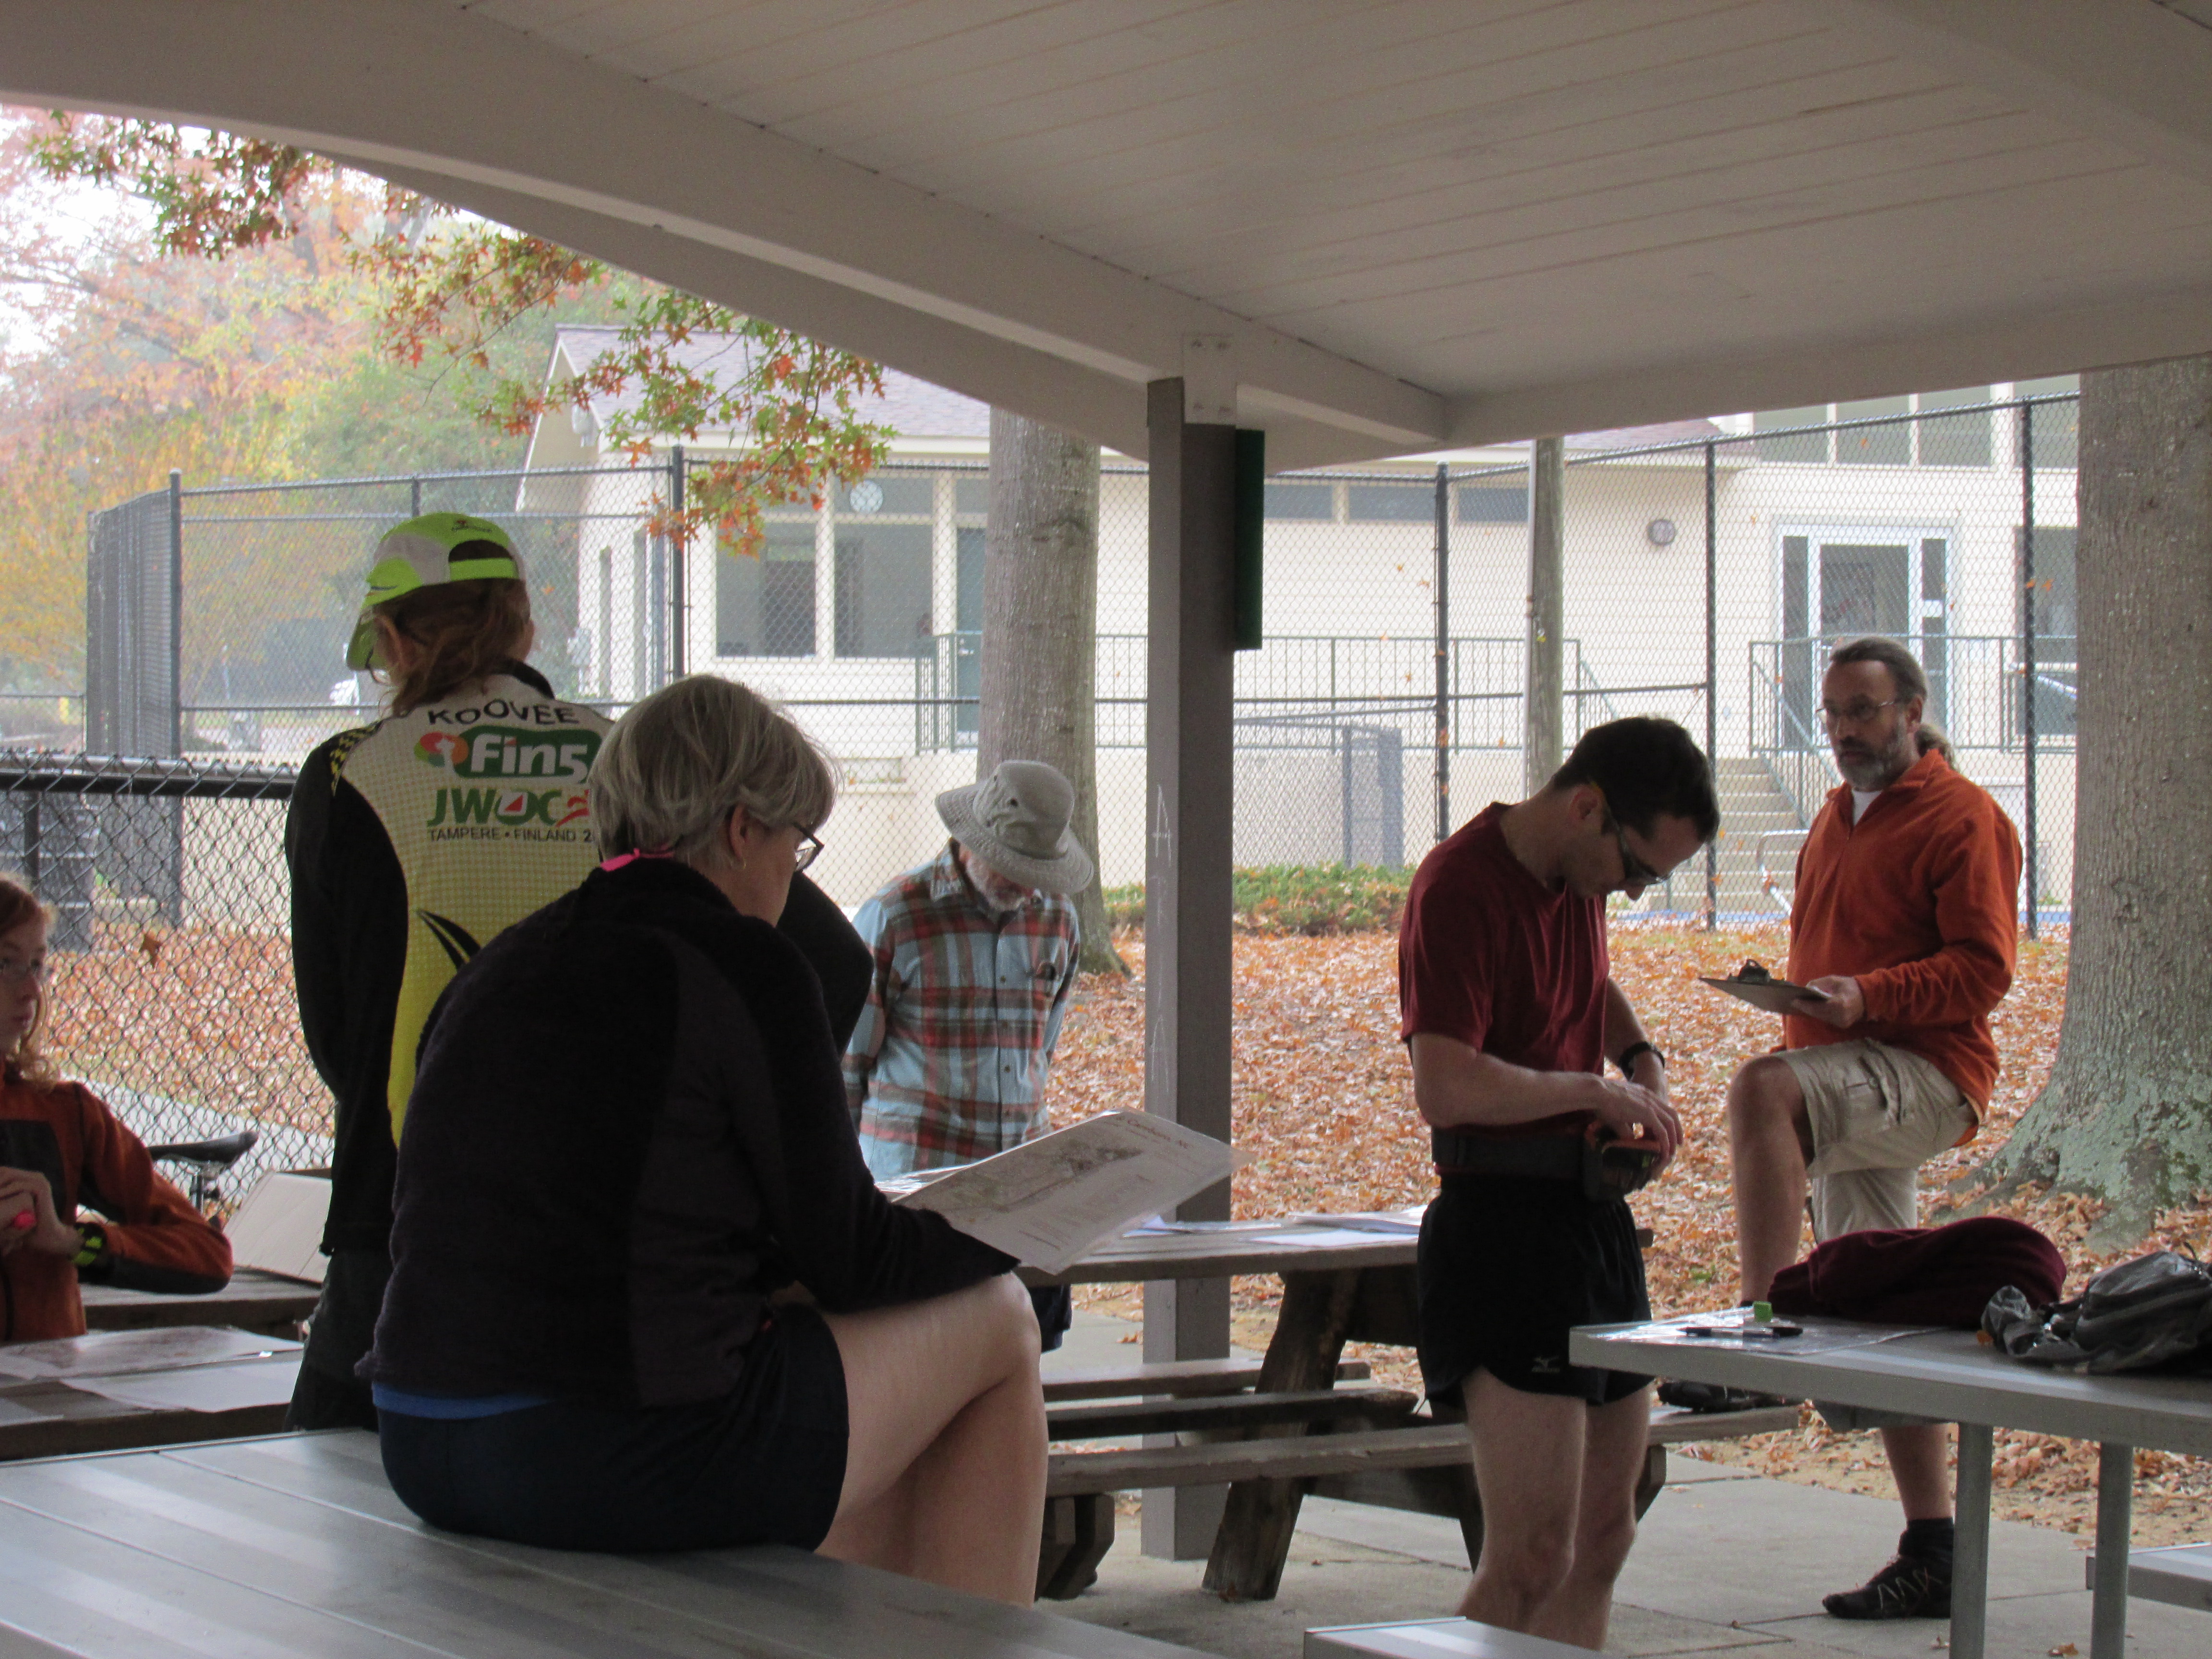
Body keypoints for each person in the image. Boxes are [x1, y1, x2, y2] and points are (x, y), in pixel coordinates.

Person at [361, 675, 1046, 1604]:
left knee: (833, 1366)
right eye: (794, 847)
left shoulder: (498, 967)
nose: (792, 878)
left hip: (420, 1438)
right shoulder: (746, 965)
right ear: (739, 829)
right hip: (613, 1449)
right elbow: (853, 1257)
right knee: (1000, 1317)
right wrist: (1021, 1226)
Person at [1399, 716, 1718, 1648]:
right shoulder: (1459, 886)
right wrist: (1589, 1090)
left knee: (1602, 1538)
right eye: (1638, 870)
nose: (1633, 891)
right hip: (1500, 1231)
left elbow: (1592, 981)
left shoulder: (1579, 877)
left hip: (1591, 1221)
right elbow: (1444, 1084)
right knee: (1532, 1556)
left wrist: (1640, 1060)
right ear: (1586, 808)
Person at [1723, 637, 2021, 1621]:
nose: (1845, 730)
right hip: (1846, 1072)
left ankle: (1757, 1334)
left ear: (1911, 711)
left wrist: (1867, 996)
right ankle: (1935, 1547)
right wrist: (1798, 996)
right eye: (1834, 713)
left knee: (1761, 1092)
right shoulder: (1831, 815)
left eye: (1863, 710)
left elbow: (1984, 969)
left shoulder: (1962, 816)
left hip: (1928, 1072)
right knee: (1871, 1305)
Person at [843, 759, 1089, 1349]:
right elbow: (848, 1070)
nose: (1026, 886)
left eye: (1038, 871)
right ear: (971, 841)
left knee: (1023, 1363)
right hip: (920, 1203)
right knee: (922, 1370)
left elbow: (1041, 1050)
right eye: (1014, 867)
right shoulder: (895, 916)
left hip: (1023, 1198)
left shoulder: (1058, 920)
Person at [0, 875, 230, 1341]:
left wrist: (73, 1241)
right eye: (5, 964)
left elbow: (207, 1252)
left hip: (48, 1380)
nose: (31, 990)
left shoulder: (64, 1112)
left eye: (38, 965)